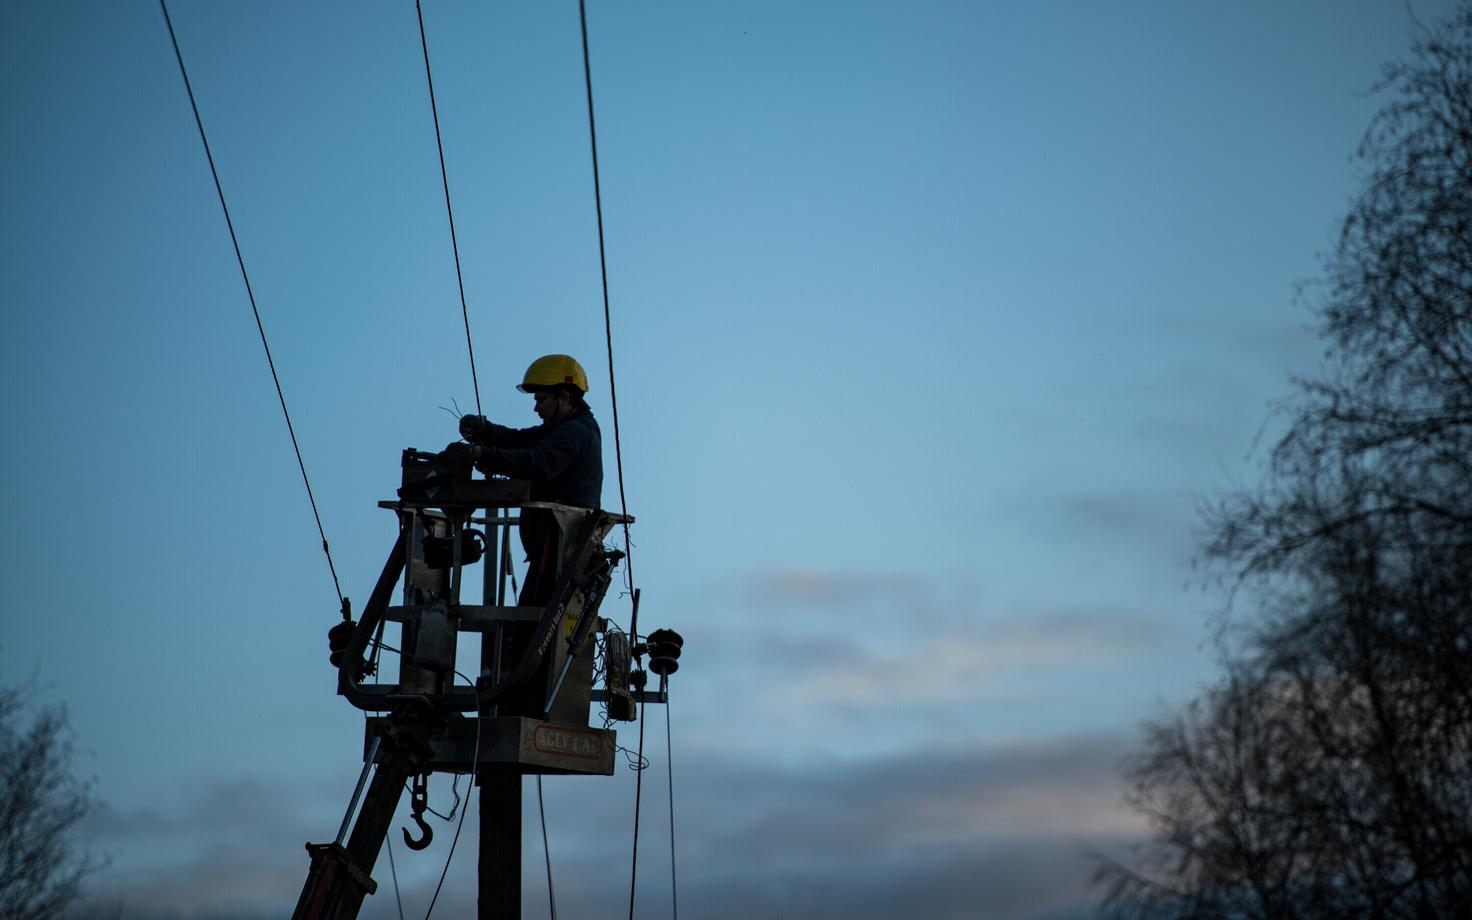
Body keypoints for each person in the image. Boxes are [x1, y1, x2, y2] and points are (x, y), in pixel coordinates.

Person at [455, 354, 603, 603]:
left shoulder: (573, 432)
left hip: (559, 548)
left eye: (541, 400)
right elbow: (520, 440)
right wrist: (487, 431)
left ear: (565, 398)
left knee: (532, 622)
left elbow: (537, 463)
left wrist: (480, 453)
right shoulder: (563, 428)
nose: (536, 408)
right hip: (553, 548)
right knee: (528, 621)